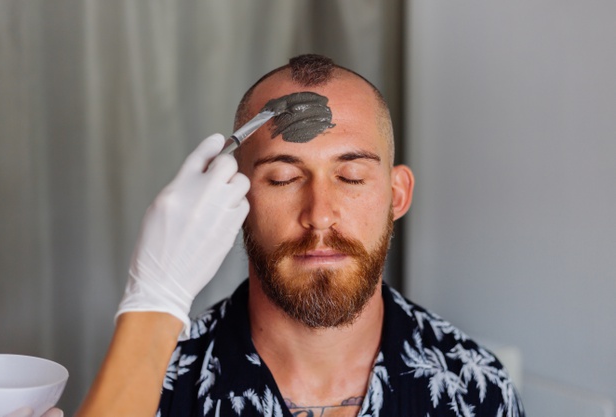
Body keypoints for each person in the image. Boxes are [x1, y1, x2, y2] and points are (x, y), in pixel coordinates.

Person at [76, 54, 524, 417]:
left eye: (350, 176)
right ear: (233, 200)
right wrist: (156, 299)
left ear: (397, 195)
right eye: (284, 179)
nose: (320, 215)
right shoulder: (154, 389)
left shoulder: (474, 390)